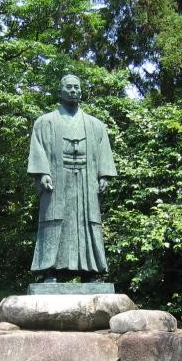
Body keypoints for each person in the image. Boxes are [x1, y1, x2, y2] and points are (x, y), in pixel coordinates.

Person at [28, 74, 117, 283]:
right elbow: (38, 150)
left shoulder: (96, 125)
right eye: (69, 87)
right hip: (57, 181)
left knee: (88, 222)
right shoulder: (44, 122)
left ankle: (91, 271)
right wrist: (42, 173)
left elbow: (104, 152)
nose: (74, 90)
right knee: (53, 221)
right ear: (60, 92)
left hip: (87, 181)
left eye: (77, 87)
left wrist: (103, 175)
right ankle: (50, 271)